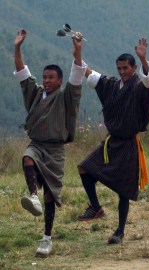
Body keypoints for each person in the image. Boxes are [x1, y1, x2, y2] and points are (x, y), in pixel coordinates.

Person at [14, 29, 87, 256]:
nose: (46, 81)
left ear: (59, 81)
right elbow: (23, 73)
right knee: (27, 158)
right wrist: (17, 48)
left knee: (51, 196)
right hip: (37, 144)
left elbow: (76, 76)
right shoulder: (35, 94)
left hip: (55, 150)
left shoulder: (67, 97)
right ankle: (32, 196)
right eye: (44, 77)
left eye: (50, 78)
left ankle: (46, 238)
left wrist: (78, 51)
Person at [76, 37, 149, 244]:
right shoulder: (111, 85)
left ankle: (120, 231)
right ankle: (96, 207)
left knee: (123, 190)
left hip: (129, 143)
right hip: (111, 142)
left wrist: (144, 58)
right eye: (119, 68)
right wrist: (78, 52)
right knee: (85, 168)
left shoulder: (140, 87)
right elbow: (90, 74)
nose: (122, 71)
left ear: (134, 68)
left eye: (126, 68)